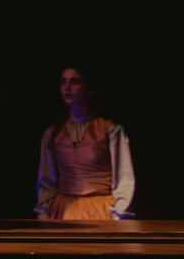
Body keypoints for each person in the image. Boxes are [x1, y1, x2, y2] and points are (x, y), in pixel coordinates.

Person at [35, 65, 135, 220]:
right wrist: (44, 212)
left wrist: (119, 215)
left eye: (74, 82)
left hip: (100, 210)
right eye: (63, 82)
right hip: (63, 211)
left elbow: (124, 179)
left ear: (88, 87)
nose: (67, 87)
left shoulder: (110, 129)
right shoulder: (53, 133)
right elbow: (46, 181)